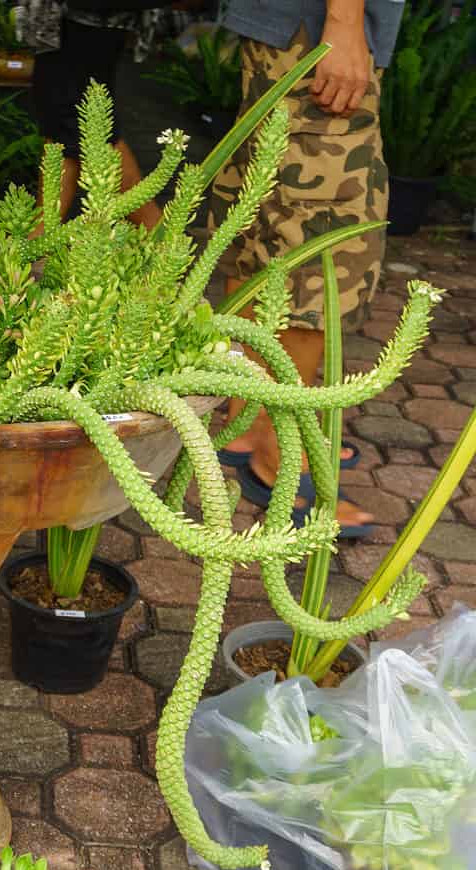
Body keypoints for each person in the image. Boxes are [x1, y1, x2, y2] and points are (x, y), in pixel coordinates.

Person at [210, 0, 406, 538]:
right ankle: (281, 458)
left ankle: (245, 423)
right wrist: (343, 24)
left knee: (264, 216)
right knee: (326, 247)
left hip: (288, 24)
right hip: (318, 26)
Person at [24, 0, 178, 227]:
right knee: (62, 118)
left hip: (93, 13)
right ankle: (41, 232)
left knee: (83, 116)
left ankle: (157, 230)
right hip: (75, 15)